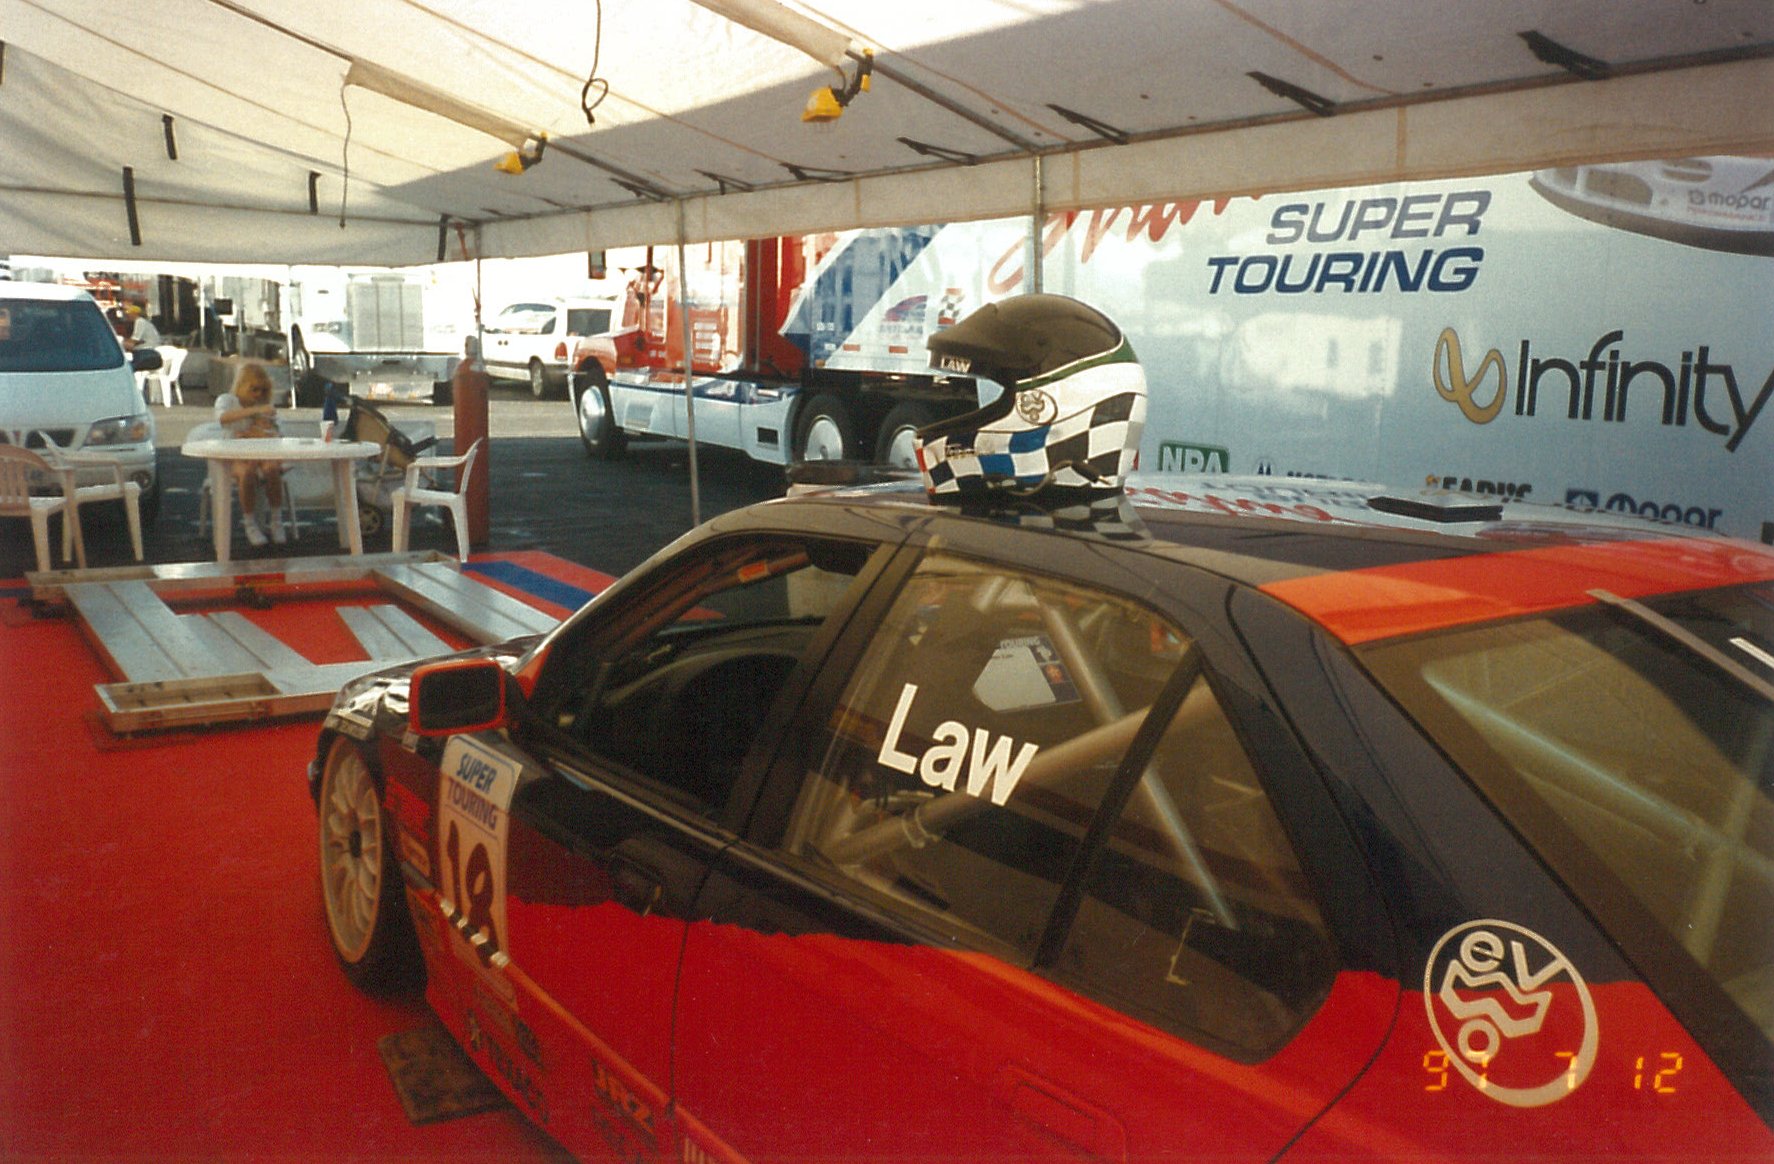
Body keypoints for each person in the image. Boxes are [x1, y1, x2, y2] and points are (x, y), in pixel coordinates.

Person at [213, 363, 287, 547]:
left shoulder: (265, 407)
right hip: (234, 454)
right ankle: (249, 523)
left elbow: (277, 433)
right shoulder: (227, 400)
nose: (257, 395)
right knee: (247, 473)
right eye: (253, 389)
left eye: (262, 390)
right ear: (241, 385)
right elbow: (223, 418)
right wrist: (255, 412)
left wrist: (262, 429)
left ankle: (276, 521)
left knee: (272, 469)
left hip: (261, 453)